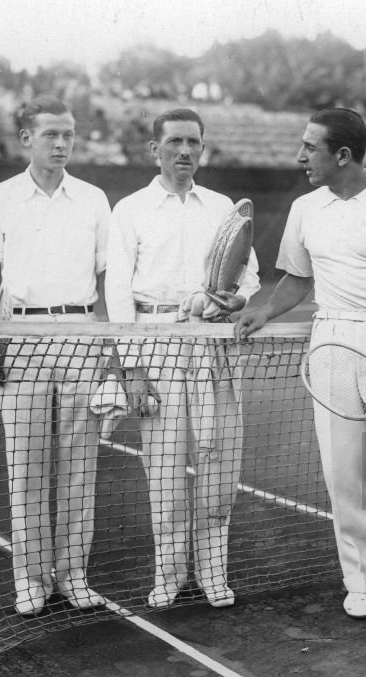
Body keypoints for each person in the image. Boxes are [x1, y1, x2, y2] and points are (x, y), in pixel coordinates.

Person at [235, 107, 366, 639]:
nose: (300, 156)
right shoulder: (305, 208)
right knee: (342, 477)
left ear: (343, 156)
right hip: (330, 341)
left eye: (310, 148)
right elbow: (296, 279)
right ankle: (359, 583)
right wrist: (264, 310)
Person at [105, 108, 261, 609]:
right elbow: (117, 292)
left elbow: (250, 277)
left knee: (219, 463)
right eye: (174, 142)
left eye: (193, 142)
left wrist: (230, 301)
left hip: (213, 344)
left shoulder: (222, 208)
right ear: (155, 149)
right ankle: (169, 575)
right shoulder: (129, 210)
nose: (185, 151)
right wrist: (130, 365)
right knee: (166, 470)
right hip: (154, 347)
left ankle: (213, 572)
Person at [0, 95, 112, 617]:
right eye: (51, 134)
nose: (61, 143)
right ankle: (31, 580)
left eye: (69, 135)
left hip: (81, 333)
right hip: (21, 335)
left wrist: (108, 348)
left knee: (79, 463)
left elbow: (107, 280)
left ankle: (74, 575)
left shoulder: (95, 198)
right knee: (26, 464)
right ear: (27, 138)